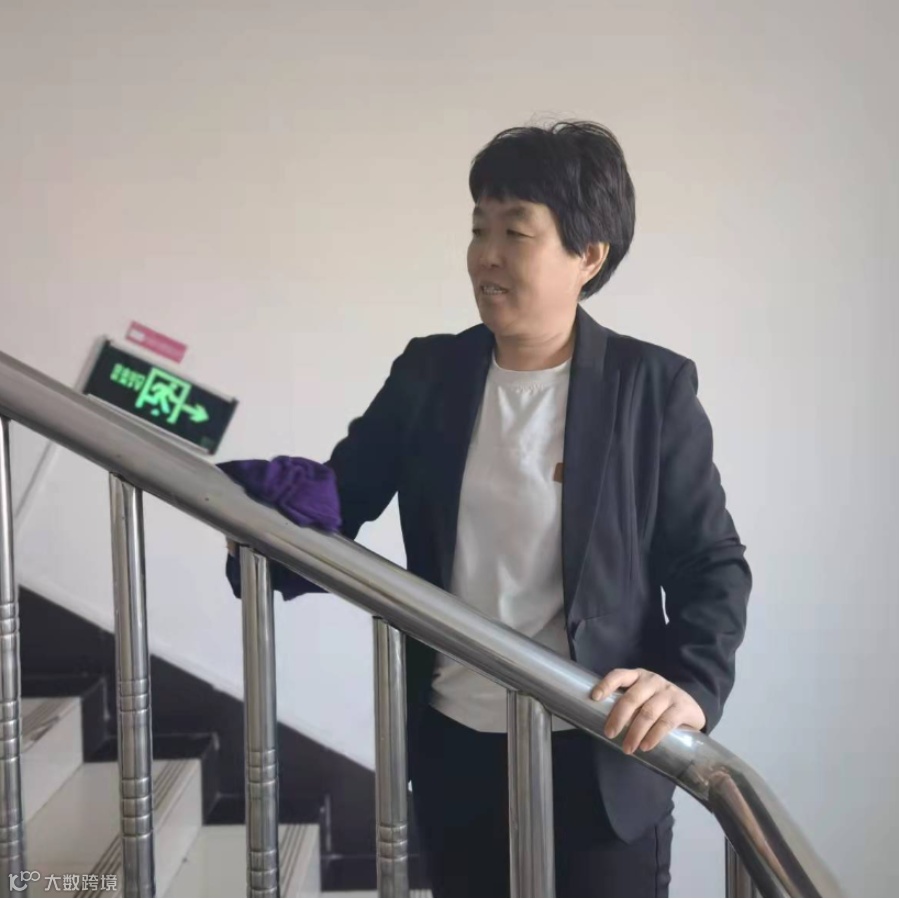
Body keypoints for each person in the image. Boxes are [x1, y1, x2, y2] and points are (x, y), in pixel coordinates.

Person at [225, 120, 751, 897]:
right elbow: (341, 496)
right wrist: (261, 512)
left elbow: (710, 563)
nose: (486, 254)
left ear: (588, 255)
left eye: (515, 231)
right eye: (478, 228)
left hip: (598, 753)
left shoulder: (649, 388)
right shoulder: (428, 373)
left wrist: (689, 684)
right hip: (456, 748)